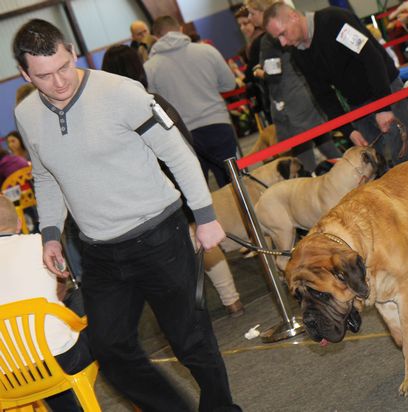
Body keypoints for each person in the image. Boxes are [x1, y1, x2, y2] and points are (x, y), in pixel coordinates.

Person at [12, 19, 240, 411]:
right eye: (45, 76)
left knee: (190, 340)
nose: (60, 82)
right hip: (99, 251)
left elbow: (178, 153)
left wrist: (205, 216)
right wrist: (50, 234)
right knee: (110, 348)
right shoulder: (27, 114)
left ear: (71, 52)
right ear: (25, 74)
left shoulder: (121, 92)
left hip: (159, 237)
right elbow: (46, 175)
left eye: (64, 67)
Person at [102, 44, 244, 317]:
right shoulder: (154, 100)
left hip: (152, 197)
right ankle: (232, 299)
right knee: (202, 243)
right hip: (180, 184)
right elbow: (183, 140)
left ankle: (188, 311)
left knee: (172, 257)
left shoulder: (115, 114)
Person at [263, 3, 408, 166]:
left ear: (294, 17)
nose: (282, 42)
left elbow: (372, 59)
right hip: (357, 106)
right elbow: (323, 95)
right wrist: (348, 131)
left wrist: (384, 106)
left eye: (283, 34)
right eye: (278, 38)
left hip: (386, 90)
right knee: (372, 167)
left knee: (403, 158)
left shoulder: (334, 20)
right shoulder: (299, 54)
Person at [0, 195, 94, 412]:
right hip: (60, 360)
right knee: (85, 300)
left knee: (32, 349)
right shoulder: (39, 245)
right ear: (20, 223)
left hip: (7, 376)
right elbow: (60, 291)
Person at [246, 0, 342, 172]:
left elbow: (273, 75)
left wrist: (257, 71)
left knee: (305, 155)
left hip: (292, 102)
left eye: (252, 13)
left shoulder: (269, 40)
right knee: (324, 144)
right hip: (303, 95)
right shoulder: (276, 36)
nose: (250, 17)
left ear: (262, 12)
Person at [145, 15, 238, 187]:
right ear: (180, 29)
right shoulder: (207, 51)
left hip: (184, 137)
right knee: (234, 187)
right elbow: (229, 84)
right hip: (218, 125)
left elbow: (153, 107)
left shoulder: (150, 67)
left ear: (156, 37)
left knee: (199, 196)